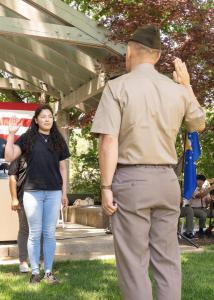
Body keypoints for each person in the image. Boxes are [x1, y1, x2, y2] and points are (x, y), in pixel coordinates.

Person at [91, 25, 205, 300]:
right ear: (157, 56)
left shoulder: (118, 87)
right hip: (167, 182)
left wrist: (106, 186)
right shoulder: (176, 91)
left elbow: (109, 142)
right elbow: (199, 123)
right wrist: (187, 85)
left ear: (130, 51)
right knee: (167, 260)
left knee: (134, 263)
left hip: (131, 182)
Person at [5, 104, 70, 284]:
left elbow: (63, 168)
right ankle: (35, 273)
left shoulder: (58, 139)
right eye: (43, 116)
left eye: (50, 116)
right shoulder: (28, 138)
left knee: (49, 233)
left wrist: (64, 193)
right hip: (32, 192)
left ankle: (48, 272)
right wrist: (11, 134)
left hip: (54, 192)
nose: (47, 119)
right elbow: (9, 156)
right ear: (36, 120)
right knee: (34, 233)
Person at [8, 156, 29, 272]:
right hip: (23, 197)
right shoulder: (18, 154)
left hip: (42, 197)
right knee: (25, 228)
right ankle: (23, 261)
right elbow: (12, 177)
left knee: (42, 230)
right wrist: (14, 198)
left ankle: (42, 260)